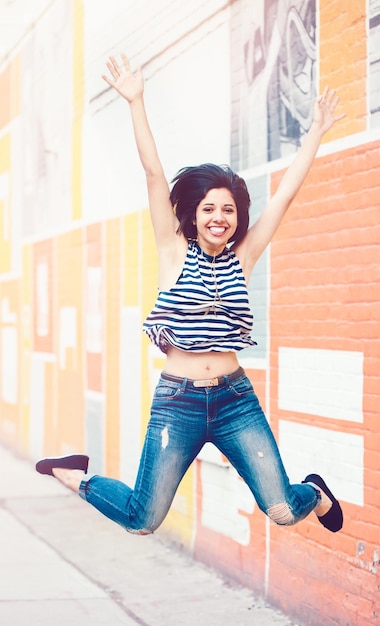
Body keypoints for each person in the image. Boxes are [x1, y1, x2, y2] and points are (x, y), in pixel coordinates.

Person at [36, 53, 345, 535]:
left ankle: (316, 492)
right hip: (177, 402)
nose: (219, 217)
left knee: (284, 510)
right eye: (209, 208)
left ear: (238, 216)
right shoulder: (173, 251)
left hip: (235, 400)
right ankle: (71, 472)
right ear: (194, 214)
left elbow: (283, 197)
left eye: (228, 209)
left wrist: (316, 135)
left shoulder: (243, 257)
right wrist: (136, 101)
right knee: (143, 520)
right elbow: (155, 176)